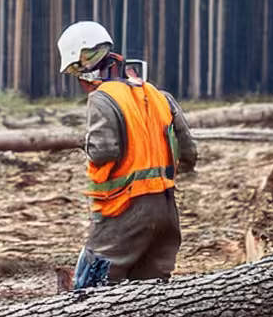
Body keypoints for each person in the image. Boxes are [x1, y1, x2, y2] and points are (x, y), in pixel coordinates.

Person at [55, 21, 197, 289]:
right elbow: (189, 151)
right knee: (149, 295)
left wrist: (84, 144)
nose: (77, 76)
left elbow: (104, 152)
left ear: (84, 60)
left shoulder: (102, 98)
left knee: (90, 290)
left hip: (124, 209)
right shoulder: (157, 94)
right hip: (166, 210)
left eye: (75, 68)